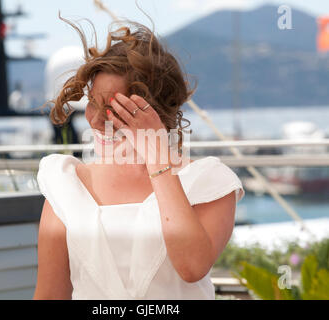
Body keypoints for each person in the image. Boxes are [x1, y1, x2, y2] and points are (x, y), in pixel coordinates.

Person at [33, 19, 245, 300]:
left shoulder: (210, 181)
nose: (95, 121)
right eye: (92, 104)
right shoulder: (67, 185)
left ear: (155, 112)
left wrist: (158, 156)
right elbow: (50, 295)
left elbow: (192, 267)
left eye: (113, 109)